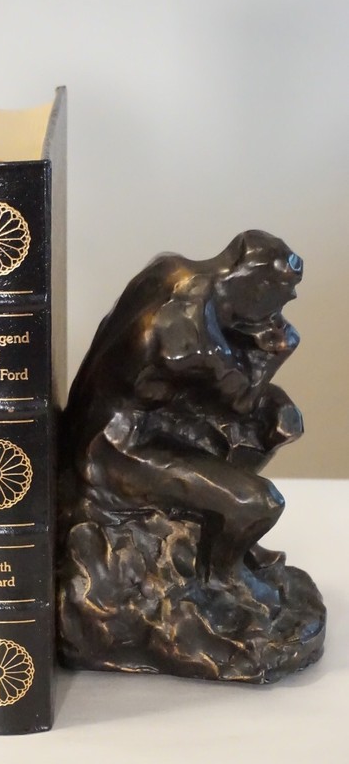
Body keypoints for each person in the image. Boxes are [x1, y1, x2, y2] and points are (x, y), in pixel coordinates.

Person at [64, 230, 304, 578]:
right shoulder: (188, 333)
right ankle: (224, 578)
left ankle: (218, 525)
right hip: (117, 446)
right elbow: (241, 402)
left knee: (280, 415)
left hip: (140, 416)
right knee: (259, 502)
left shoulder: (171, 270)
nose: (283, 306)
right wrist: (279, 351)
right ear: (257, 285)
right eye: (282, 296)